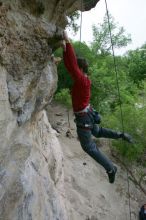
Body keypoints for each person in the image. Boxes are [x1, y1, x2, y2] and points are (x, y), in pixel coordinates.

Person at [61, 31, 134, 184]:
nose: (73, 70)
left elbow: (72, 65)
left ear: (80, 69)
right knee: (98, 131)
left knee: (88, 146)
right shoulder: (85, 79)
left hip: (84, 116)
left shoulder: (81, 80)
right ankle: (121, 135)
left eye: (76, 68)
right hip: (89, 113)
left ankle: (110, 168)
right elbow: (70, 65)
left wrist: (68, 42)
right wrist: (64, 49)